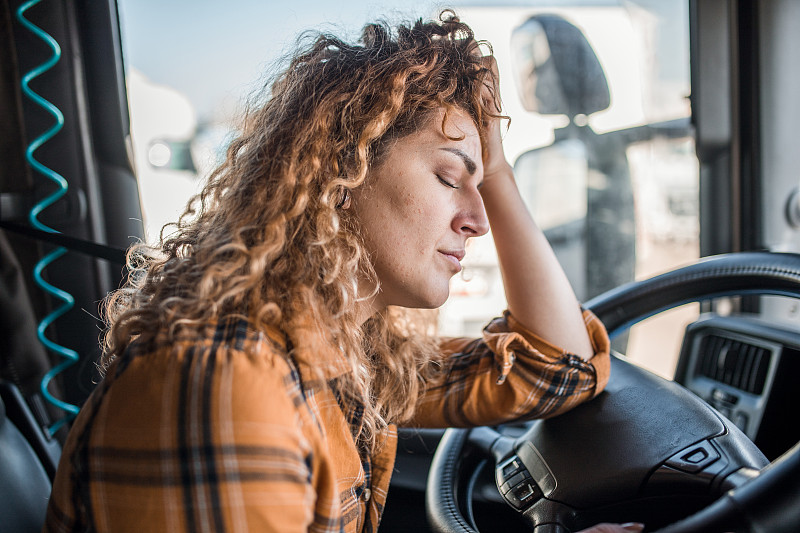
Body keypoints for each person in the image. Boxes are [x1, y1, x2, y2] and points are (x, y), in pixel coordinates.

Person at [43, 12, 642, 533]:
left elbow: (556, 368)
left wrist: (498, 169)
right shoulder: (224, 380)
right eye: (447, 177)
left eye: (481, 187)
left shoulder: (356, 353)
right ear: (344, 172)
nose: (480, 221)